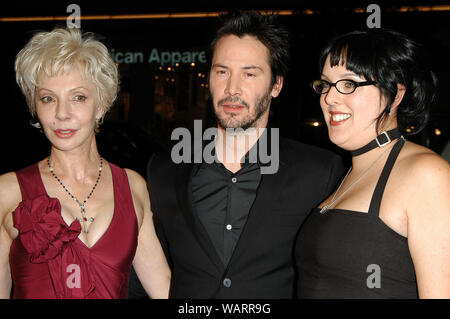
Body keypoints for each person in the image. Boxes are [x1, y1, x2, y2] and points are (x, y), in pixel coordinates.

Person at [129, 10, 344, 299]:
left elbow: (332, 276)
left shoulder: (320, 173)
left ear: (276, 85)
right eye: (222, 72)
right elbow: (145, 275)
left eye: (249, 73)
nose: (232, 88)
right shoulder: (163, 170)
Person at [0, 27, 170, 299]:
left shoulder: (132, 186)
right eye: (48, 99)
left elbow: (164, 289)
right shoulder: (7, 192)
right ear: (35, 106)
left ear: (101, 104)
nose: (62, 114)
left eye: (78, 97)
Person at [296, 28, 450, 298]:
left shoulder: (427, 174)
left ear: (396, 94)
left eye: (349, 83)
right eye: (325, 84)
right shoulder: (346, 174)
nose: (329, 98)